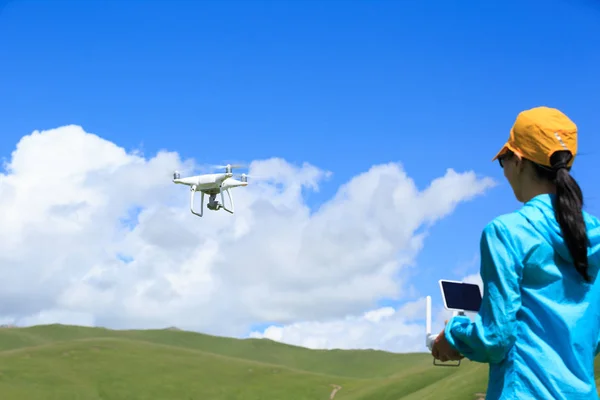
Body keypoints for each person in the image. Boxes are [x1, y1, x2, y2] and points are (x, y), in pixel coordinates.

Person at [431, 106, 600, 399]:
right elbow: (593, 339)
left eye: (503, 161)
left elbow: (495, 338)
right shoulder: (593, 236)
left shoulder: (505, 232)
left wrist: (452, 334)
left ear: (518, 161)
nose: (505, 171)